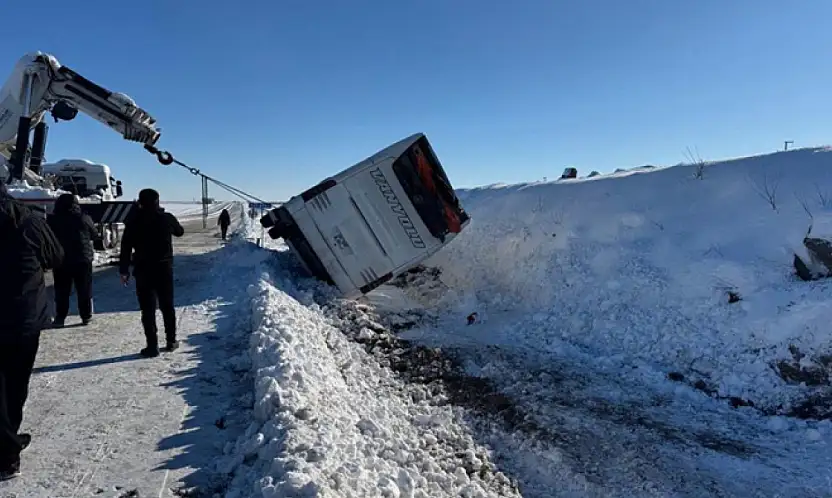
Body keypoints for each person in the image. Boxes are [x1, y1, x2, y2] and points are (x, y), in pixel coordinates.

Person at [0, 184, 64, 481]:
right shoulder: (30, 222)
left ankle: (8, 444)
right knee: (15, 384)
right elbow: (55, 258)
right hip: (24, 318)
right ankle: (8, 449)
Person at [118, 188, 185, 358]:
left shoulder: (133, 222)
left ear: (140, 202)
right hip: (164, 269)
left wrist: (124, 270)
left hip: (143, 270)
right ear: (157, 201)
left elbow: (125, 248)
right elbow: (180, 232)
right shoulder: (166, 218)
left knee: (147, 310)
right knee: (167, 306)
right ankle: (171, 341)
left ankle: (152, 346)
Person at [47, 194, 101, 327]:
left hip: (61, 260)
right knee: (84, 289)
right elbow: (94, 235)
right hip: (83, 259)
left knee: (61, 290)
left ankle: (60, 318)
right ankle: (86, 316)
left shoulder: (53, 219)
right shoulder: (84, 217)